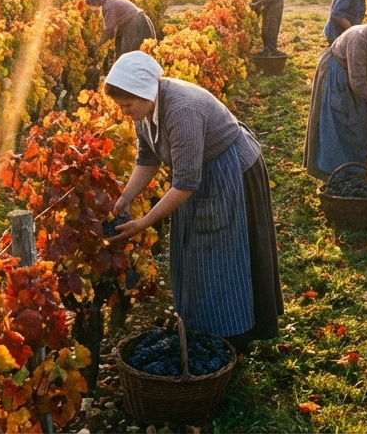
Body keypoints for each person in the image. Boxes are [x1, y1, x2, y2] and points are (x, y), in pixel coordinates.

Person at [103, 52, 283, 352]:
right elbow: (147, 159)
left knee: (223, 253)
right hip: (200, 171)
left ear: (145, 93)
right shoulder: (145, 111)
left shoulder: (181, 110)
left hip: (230, 169)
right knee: (196, 251)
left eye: (127, 106)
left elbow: (185, 183)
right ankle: (204, 329)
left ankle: (233, 337)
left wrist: (146, 222)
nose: (124, 113)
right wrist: (124, 198)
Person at [304, 12, 367, 180]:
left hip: (356, 76)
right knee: (339, 119)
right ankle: (334, 173)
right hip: (336, 71)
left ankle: (355, 172)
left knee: (360, 121)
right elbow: (358, 81)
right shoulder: (359, 40)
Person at [85, 0, 156, 61]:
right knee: (125, 50)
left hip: (136, 24)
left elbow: (109, 29)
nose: (94, 7)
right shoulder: (109, 0)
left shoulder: (108, 6)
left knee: (131, 54)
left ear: (96, 1)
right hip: (139, 20)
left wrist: (98, 45)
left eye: (93, 4)